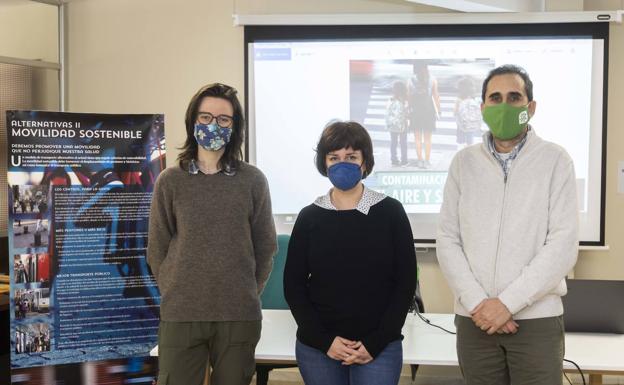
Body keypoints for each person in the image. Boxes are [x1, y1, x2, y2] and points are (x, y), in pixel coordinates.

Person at [437, 64, 579, 385]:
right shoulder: (463, 163)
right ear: (483, 107)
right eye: (495, 98)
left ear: (530, 107)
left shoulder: (556, 160)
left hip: (536, 321)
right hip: (475, 320)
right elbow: (447, 239)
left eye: (514, 98)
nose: (504, 105)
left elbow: (562, 245)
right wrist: (478, 303)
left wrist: (507, 304)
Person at [147, 83, 277, 385]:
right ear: (193, 121)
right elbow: (157, 248)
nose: (213, 125)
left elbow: (265, 247)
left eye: (223, 119)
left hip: (238, 314)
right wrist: (176, 287)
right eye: (205, 117)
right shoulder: (171, 181)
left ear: (235, 127)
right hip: (182, 313)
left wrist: (244, 289)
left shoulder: (253, 181)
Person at [284, 121, 416, 385]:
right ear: (324, 163)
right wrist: (324, 341)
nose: (342, 164)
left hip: (379, 347)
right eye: (334, 157)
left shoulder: (390, 212)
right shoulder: (309, 217)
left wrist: (375, 342)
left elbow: (405, 283)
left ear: (365, 162)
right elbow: (294, 286)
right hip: (319, 348)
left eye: (351, 157)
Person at [407, 61, 440, 169]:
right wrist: (438, 110)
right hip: (428, 111)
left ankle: (419, 161)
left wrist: (408, 109)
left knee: (417, 138)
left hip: (416, 112)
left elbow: (409, 97)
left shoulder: (410, 81)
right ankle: (427, 161)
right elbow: (436, 96)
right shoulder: (433, 79)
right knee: (428, 139)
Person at [454, 76, 483, 148]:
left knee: (461, 142)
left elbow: (455, 112)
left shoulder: (459, 100)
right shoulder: (474, 99)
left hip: (461, 126)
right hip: (471, 125)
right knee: (470, 141)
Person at [385, 81, 409, 166]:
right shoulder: (404, 101)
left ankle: (394, 160)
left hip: (393, 125)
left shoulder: (391, 100)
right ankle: (404, 160)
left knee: (393, 142)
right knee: (403, 143)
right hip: (402, 125)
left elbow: (387, 111)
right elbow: (407, 113)